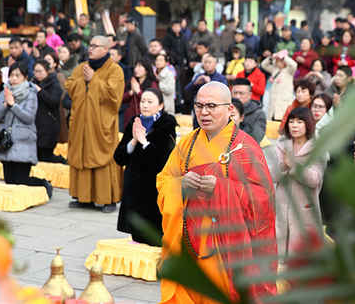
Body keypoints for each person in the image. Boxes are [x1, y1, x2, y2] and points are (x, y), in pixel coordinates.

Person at [157, 81, 277, 303]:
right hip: (189, 240)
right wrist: (180, 185)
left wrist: (221, 188)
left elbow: (264, 199)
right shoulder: (187, 144)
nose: (204, 112)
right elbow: (164, 180)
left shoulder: (245, 147)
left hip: (226, 247)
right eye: (199, 105)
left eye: (212, 106)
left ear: (230, 109)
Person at [65, 35, 124, 212]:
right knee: (81, 156)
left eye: (95, 46)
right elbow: (69, 86)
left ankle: (108, 200)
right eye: (89, 45)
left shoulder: (115, 70)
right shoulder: (82, 68)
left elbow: (114, 97)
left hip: (101, 125)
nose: (90, 49)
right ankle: (84, 198)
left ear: (106, 49)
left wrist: (94, 81)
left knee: (102, 159)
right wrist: (84, 81)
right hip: (81, 123)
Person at [114, 88, 176, 245]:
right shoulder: (135, 121)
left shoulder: (166, 124)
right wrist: (134, 141)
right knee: (136, 234)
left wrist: (144, 141)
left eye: (150, 102)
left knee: (153, 234)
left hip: (153, 186)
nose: (145, 105)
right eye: (143, 101)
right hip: (134, 184)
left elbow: (162, 160)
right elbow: (119, 157)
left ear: (160, 105)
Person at [0, 62, 52, 197]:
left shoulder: (31, 94)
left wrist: (13, 105)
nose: (13, 78)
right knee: (10, 180)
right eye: (11, 75)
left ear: (25, 77)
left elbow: (29, 117)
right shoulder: (4, 92)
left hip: (24, 141)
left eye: (17, 75)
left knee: (21, 180)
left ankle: (43, 184)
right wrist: (5, 104)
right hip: (7, 142)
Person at [275, 107, 324, 260]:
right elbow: (272, 175)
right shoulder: (281, 144)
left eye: (299, 122)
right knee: (278, 257)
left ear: (308, 124)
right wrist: (283, 166)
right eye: (291, 121)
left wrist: (293, 165)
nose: (294, 125)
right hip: (281, 207)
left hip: (305, 209)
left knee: (301, 259)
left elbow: (315, 179)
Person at [30, 59, 64, 164]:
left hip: (49, 125)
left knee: (46, 156)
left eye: (40, 71)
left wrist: (40, 91)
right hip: (35, 124)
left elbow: (53, 101)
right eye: (35, 71)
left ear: (47, 71)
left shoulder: (54, 84)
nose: (37, 74)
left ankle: (62, 161)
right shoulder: (32, 83)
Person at [261, 50, 297, 121]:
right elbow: (263, 65)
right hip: (273, 105)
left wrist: (283, 57)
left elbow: (294, 65)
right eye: (277, 60)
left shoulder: (289, 71)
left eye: (280, 61)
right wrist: (271, 57)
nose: (278, 62)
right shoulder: (274, 70)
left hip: (283, 104)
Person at [123, 58, 158, 128]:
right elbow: (122, 99)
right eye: (136, 66)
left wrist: (138, 91)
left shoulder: (152, 84)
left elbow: (152, 100)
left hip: (145, 118)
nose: (136, 69)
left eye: (139, 66)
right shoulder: (133, 82)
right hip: (130, 118)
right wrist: (131, 92)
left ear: (146, 69)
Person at [231, 78, 266, 143]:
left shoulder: (258, 114)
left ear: (250, 95)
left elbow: (255, 139)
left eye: (241, 93)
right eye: (235, 93)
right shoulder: (225, 109)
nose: (237, 96)